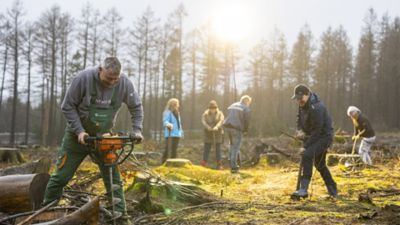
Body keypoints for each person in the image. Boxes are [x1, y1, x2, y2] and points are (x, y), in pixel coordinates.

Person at [42, 57, 143, 225]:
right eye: (108, 78)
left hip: (104, 138)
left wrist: (137, 130)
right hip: (78, 137)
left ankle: (120, 216)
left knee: (113, 178)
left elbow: (136, 107)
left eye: (115, 78)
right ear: (99, 70)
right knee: (61, 176)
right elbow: (67, 106)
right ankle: (46, 212)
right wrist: (79, 131)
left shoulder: (124, 83)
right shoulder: (83, 78)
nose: (112, 82)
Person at [291, 84, 337, 199]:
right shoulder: (303, 105)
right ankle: (333, 188)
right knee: (320, 164)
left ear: (307, 95)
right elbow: (299, 119)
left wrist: (305, 146)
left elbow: (317, 131)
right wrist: (299, 131)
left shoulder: (317, 107)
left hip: (324, 137)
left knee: (307, 155)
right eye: (296, 98)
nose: (298, 101)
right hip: (313, 136)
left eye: (300, 98)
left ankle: (303, 190)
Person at [223, 95, 252, 173]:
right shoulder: (245, 108)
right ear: (247, 101)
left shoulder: (232, 105)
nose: (249, 104)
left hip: (227, 127)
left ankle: (230, 161)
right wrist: (245, 130)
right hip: (236, 128)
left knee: (231, 145)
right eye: (249, 102)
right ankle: (234, 166)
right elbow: (247, 121)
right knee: (236, 147)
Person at [201, 100, 225, 169]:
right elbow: (203, 121)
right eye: (211, 108)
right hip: (208, 133)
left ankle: (219, 164)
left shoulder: (220, 113)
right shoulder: (205, 114)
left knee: (218, 149)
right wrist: (208, 127)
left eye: (214, 108)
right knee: (206, 148)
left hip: (217, 133)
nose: (212, 110)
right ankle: (204, 163)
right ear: (209, 108)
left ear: (216, 108)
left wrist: (217, 127)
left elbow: (221, 121)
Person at [162, 98, 183, 163]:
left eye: (177, 104)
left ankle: (173, 162)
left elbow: (179, 123)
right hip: (170, 134)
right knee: (168, 149)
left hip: (177, 134)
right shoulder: (168, 112)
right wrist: (168, 124)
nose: (177, 106)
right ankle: (164, 162)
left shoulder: (177, 113)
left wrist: (181, 132)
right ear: (172, 105)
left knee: (174, 149)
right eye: (176, 104)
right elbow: (165, 121)